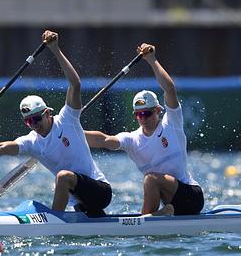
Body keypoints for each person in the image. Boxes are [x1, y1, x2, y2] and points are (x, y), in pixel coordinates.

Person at [0, 30, 112, 216]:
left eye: (36, 119)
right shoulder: (32, 142)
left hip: (101, 192)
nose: (33, 125)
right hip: (80, 201)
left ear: (47, 113)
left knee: (63, 176)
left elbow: (75, 84)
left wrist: (55, 50)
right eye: (28, 121)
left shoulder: (68, 119)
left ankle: (55, 221)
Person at [85, 43, 203, 216]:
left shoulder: (172, 124)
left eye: (147, 113)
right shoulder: (132, 139)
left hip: (192, 197)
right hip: (171, 202)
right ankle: (157, 216)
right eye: (138, 114)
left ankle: (145, 221)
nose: (142, 118)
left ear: (158, 110)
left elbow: (170, 89)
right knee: (151, 181)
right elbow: (104, 140)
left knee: (150, 179)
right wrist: (74, 132)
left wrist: (152, 60)